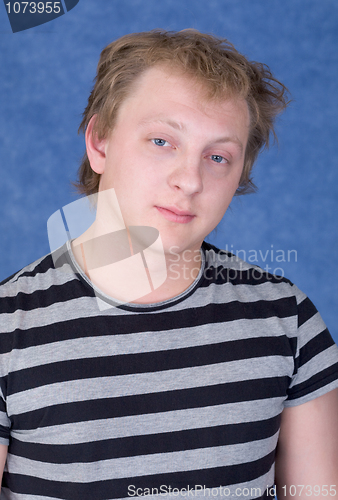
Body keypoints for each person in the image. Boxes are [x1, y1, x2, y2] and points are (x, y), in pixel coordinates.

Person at [0, 29, 337, 500]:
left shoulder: (288, 321)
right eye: (161, 141)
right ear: (99, 143)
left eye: (218, 156)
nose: (189, 179)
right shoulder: (7, 328)